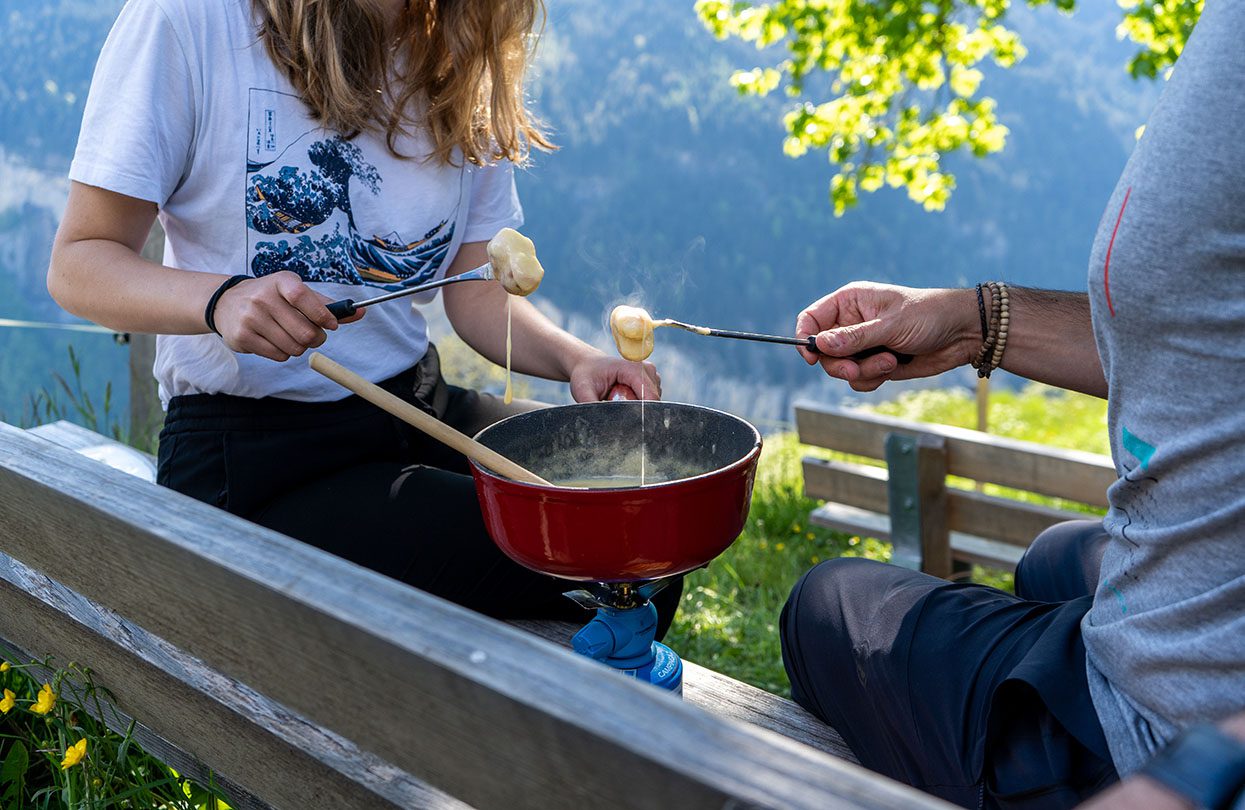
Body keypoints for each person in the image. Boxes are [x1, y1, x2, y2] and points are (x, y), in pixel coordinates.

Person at [46, 0, 678, 630]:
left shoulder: (457, 42)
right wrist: (218, 299)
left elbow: (478, 288)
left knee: (646, 519)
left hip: (412, 409)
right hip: (255, 457)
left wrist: (577, 360)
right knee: (590, 549)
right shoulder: (189, 20)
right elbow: (79, 263)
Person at [783, 1, 1245, 807]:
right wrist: (977, 324)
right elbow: (1205, 343)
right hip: (1189, 601)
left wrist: (1197, 770)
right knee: (1049, 558)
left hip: (1163, 721)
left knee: (826, 605)